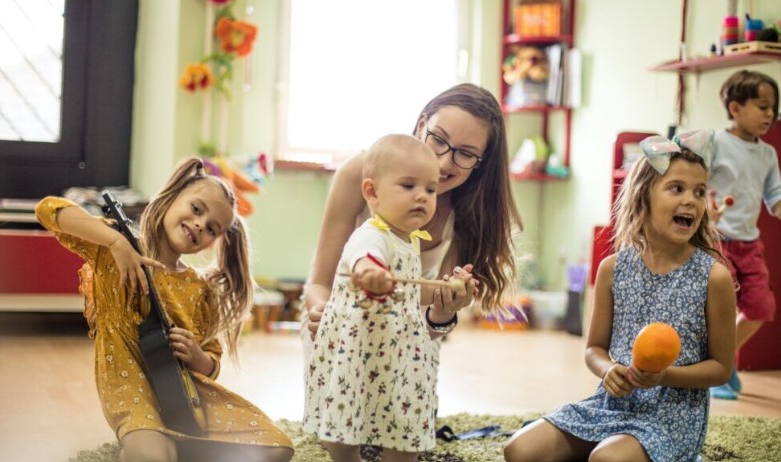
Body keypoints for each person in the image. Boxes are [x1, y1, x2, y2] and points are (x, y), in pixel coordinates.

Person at [35, 158, 293, 462]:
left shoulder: (200, 289)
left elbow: (212, 360)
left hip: (186, 395)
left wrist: (197, 356)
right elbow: (48, 209)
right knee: (152, 457)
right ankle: (155, 442)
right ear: (172, 198)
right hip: (132, 388)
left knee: (278, 446)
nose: (200, 224)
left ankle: (177, 445)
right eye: (197, 209)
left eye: (212, 228)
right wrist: (117, 242)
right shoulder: (116, 251)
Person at [503, 131, 736, 462]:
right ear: (644, 196)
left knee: (607, 460)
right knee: (519, 449)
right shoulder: (612, 269)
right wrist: (608, 370)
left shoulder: (714, 277)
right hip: (610, 404)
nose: (691, 200)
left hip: (673, 419)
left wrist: (664, 376)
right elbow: (593, 349)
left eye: (699, 192)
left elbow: (722, 368)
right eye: (676, 188)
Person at [302, 82, 523, 351]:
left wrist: (445, 311)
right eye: (439, 139)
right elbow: (318, 284)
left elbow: (428, 329)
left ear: (481, 163)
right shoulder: (360, 171)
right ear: (421, 125)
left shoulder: (468, 212)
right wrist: (324, 316)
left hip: (402, 353)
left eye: (465, 153)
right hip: (338, 343)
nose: (442, 163)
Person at [303, 134, 472, 462]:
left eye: (430, 189)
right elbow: (364, 258)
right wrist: (370, 271)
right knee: (345, 417)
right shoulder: (371, 234)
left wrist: (448, 287)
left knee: (402, 421)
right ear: (372, 193)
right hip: (359, 352)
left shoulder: (410, 240)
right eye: (409, 186)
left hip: (400, 354)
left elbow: (411, 288)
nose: (422, 197)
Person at [707, 70, 781, 400]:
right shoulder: (716, 143)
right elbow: (697, 183)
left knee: (761, 306)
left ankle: (723, 363)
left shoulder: (768, 154)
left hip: (749, 244)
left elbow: (775, 198)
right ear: (735, 108)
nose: (770, 114)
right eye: (762, 106)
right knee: (722, 307)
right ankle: (714, 371)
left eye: (773, 108)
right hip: (717, 240)